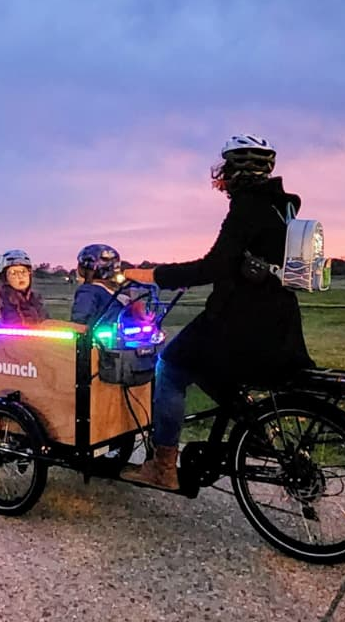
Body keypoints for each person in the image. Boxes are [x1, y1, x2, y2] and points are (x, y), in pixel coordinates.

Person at [122, 134, 315, 491]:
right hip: (279, 322)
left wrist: (154, 275)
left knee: (171, 367)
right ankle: (255, 427)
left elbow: (214, 266)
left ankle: (162, 467)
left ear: (233, 170)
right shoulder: (282, 207)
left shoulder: (247, 206)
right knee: (206, 365)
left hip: (238, 321)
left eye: (224, 168)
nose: (221, 175)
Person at [71, 243, 123, 326]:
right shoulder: (123, 293)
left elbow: (79, 320)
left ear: (89, 269)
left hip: (98, 338)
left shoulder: (88, 291)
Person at [0, 249, 49, 325]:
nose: (20, 276)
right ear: (5, 278)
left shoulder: (36, 300)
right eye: (13, 273)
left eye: (23, 271)